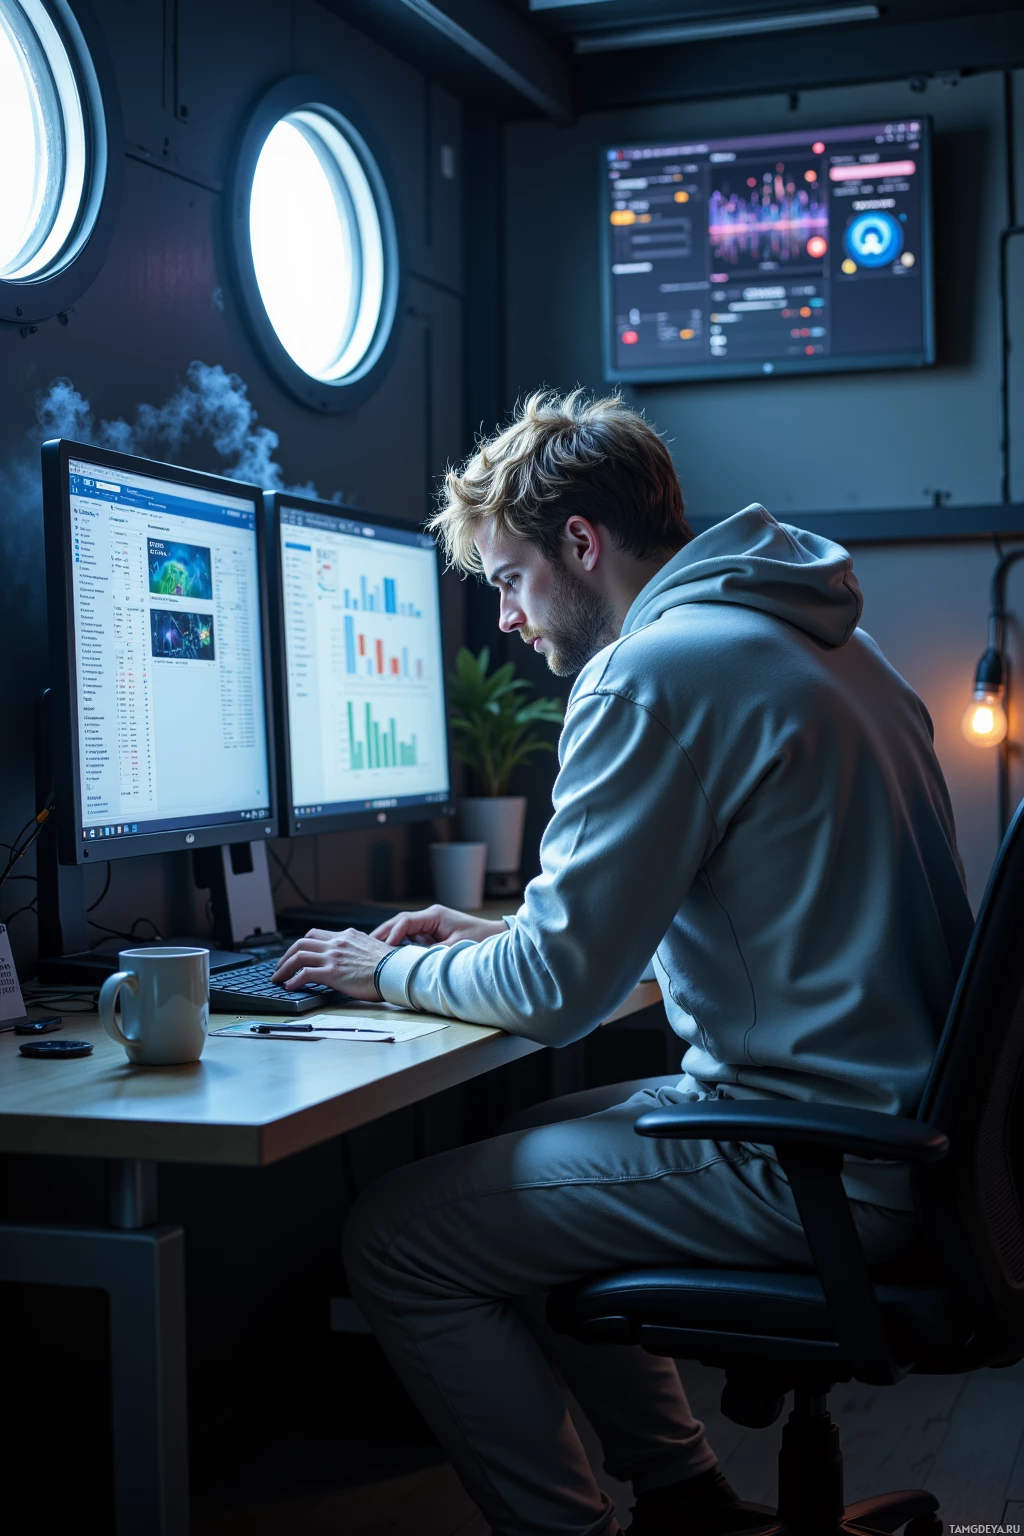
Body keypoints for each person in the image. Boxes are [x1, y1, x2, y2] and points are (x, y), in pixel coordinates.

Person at [272, 390, 975, 1536]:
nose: (504, 616)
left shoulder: (651, 673)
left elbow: (559, 997)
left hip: (820, 1160)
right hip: (896, 1131)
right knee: (523, 1168)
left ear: (581, 546)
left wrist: (376, 967)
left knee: (397, 1239)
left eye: (507, 579)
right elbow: (665, 913)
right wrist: (492, 937)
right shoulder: (820, 640)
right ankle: (685, 1500)